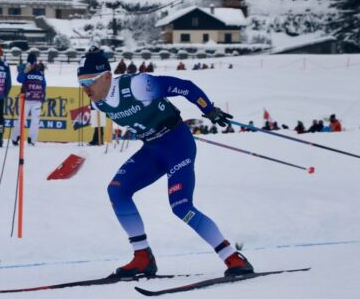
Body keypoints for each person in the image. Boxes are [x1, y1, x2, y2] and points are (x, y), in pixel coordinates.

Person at [76, 50, 253, 279]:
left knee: (181, 206)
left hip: (177, 144)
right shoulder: (99, 104)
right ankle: (142, 258)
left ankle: (233, 257)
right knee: (117, 190)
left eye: (90, 80)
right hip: (152, 149)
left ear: (108, 77)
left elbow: (185, 86)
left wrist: (208, 109)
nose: (85, 88)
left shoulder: (138, 85)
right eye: (81, 82)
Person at [11, 52, 46, 146]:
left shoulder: (40, 70)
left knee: (35, 120)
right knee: (22, 119)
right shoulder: (25, 69)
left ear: (36, 62)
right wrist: (24, 71)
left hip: (37, 100)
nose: (32, 65)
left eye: (33, 63)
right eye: (30, 63)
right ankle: (15, 137)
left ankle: (32, 139)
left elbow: (43, 84)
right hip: (25, 99)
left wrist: (43, 97)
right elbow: (19, 80)